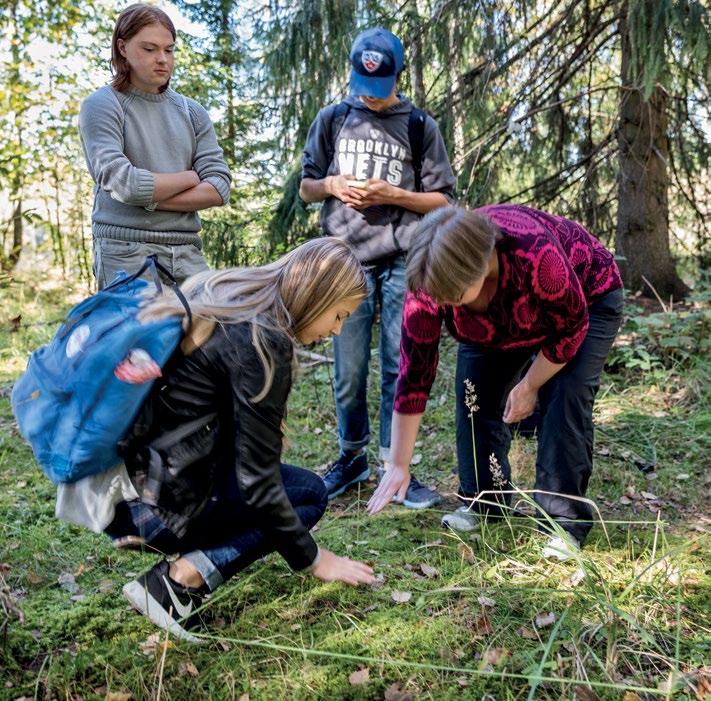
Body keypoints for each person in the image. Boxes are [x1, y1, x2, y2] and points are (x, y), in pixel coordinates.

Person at [58, 238, 375, 641]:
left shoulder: (228, 291)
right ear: (318, 294)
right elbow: (259, 485)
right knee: (308, 494)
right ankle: (176, 584)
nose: (337, 329)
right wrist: (314, 560)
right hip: (148, 505)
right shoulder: (263, 339)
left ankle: (178, 566)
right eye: (339, 314)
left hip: (116, 484)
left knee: (290, 490)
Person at [367, 204, 623, 560]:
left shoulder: (534, 254)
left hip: (585, 303)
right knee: (474, 396)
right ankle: (486, 502)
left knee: (565, 395)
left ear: (481, 266)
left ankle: (562, 522)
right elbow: (415, 374)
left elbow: (570, 329)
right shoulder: (432, 278)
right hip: (497, 326)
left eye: (451, 298)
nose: (439, 305)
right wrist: (398, 463)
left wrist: (529, 385)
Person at [300, 27, 456, 508]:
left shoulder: (419, 126)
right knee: (348, 368)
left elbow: (443, 199)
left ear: (397, 76)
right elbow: (307, 186)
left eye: (380, 86)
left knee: (398, 363)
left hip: (402, 259)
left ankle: (396, 465)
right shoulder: (332, 119)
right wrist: (333, 186)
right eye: (362, 86)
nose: (369, 97)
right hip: (345, 261)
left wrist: (394, 195)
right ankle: (352, 457)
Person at [79, 3, 232, 288]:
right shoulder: (102, 105)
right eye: (149, 49)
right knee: (140, 334)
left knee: (209, 329)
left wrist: (148, 198)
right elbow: (126, 184)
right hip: (125, 250)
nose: (162, 59)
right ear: (122, 47)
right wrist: (189, 178)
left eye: (169, 50)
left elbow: (219, 187)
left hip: (187, 251)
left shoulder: (192, 112)